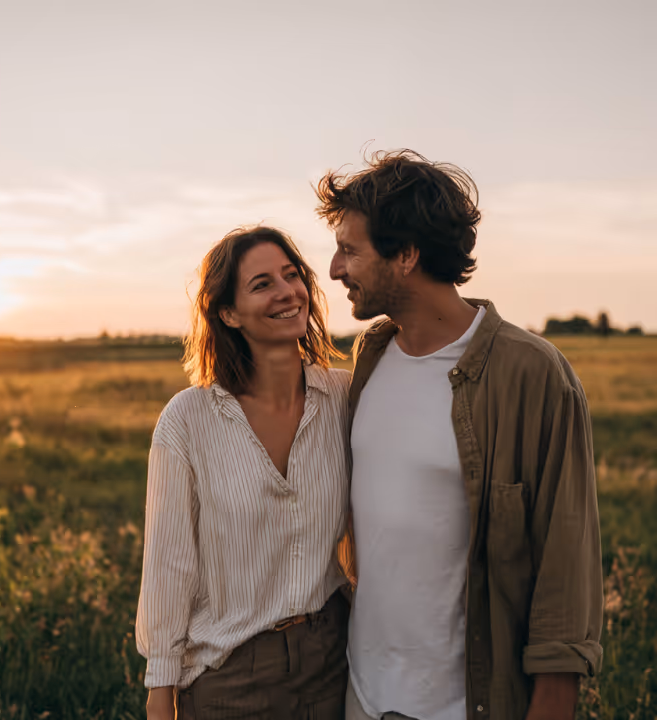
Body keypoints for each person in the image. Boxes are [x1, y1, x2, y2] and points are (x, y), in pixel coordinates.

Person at [315, 150, 603, 720]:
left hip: (463, 706)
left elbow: (566, 569)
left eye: (350, 249)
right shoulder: (370, 355)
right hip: (363, 699)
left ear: (406, 255)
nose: (333, 269)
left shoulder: (532, 374)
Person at [136, 226, 351, 719]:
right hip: (230, 677)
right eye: (262, 284)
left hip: (333, 663)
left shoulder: (345, 398)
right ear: (228, 314)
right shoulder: (188, 420)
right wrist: (160, 689)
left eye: (291, 275)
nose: (286, 292)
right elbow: (169, 564)